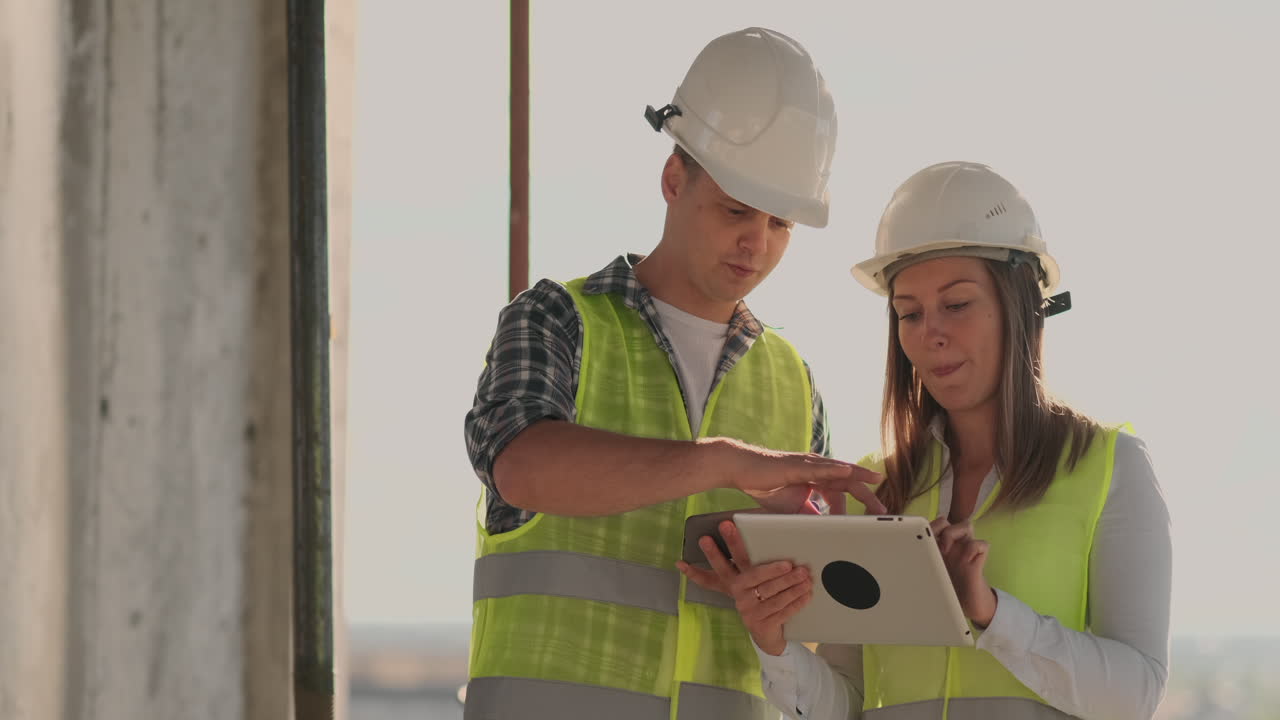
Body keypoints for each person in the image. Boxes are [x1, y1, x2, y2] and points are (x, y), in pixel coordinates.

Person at [462, 27, 882, 720]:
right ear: (672, 180)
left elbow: (809, 623)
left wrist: (798, 549)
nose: (758, 244)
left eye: (781, 224)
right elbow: (522, 467)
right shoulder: (558, 319)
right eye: (736, 210)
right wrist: (720, 463)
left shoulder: (793, 380)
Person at [680, 161, 1173, 719]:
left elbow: (1136, 693)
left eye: (957, 305)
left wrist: (989, 613)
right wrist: (773, 642)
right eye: (908, 313)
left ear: (1020, 307)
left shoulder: (1110, 467)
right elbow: (847, 703)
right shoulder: (876, 486)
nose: (930, 333)